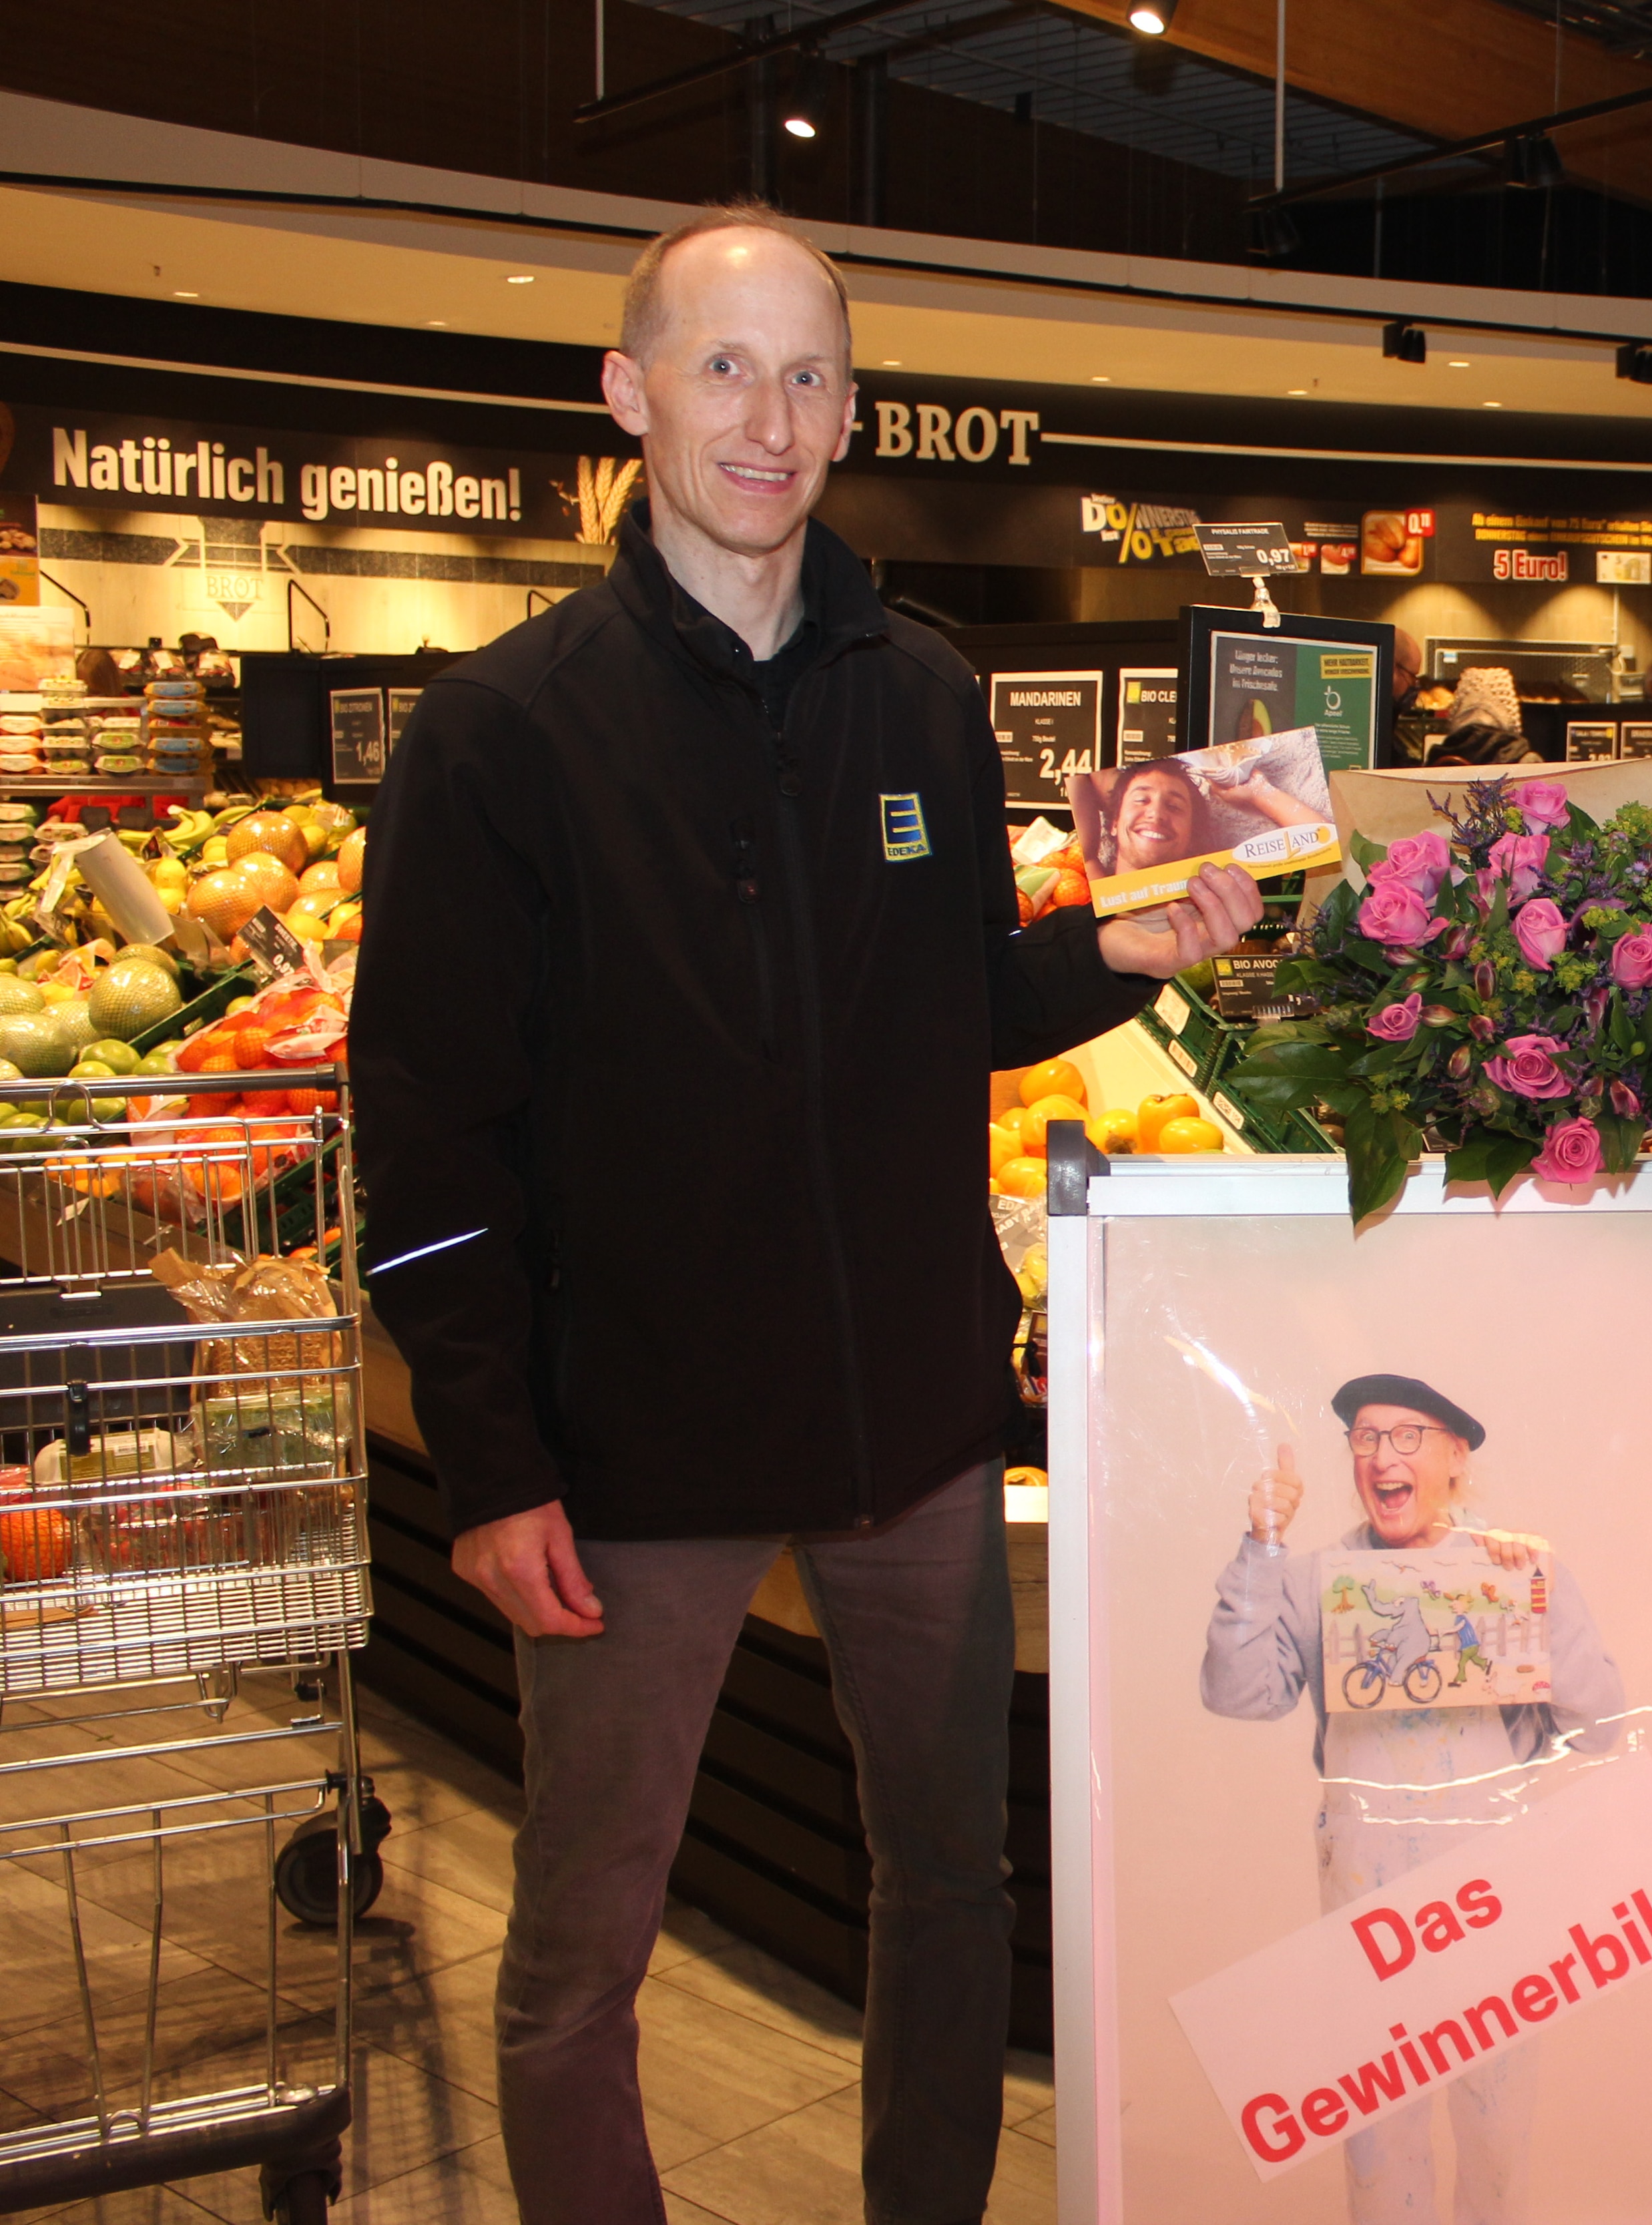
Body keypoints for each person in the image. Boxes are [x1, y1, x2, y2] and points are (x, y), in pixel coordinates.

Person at [348, 198, 1264, 2225]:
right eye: (725, 365)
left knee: (950, 1883)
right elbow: (422, 1138)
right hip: (633, 1464)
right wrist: (490, 1458)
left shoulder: (920, 697)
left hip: (913, 1440)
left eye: (811, 372)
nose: (772, 415)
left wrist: (1132, 952)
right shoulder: (502, 732)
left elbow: (959, 1006)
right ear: (630, 393)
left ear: (855, 410)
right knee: (588, 1941)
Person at [1202, 1376, 1627, 2225]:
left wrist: (1534, 1600)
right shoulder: (1317, 1577)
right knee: (1376, 2144)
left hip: (1491, 1905)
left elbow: (1603, 1726)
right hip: (1366, 1906)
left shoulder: (1513, 1569)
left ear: (1455, 1458)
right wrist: (1260, 1549)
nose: (1381, 1458)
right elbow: (1238, 1694)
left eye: (1406, 1437)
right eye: (1365, 1439)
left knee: (1497, 2138)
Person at [1075, 748, 1323, 883]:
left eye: (1174, 807)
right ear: (1114, 824)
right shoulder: (1091, 883)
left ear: (1191, 836)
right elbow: (1080, 776)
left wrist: (1259, 793)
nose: (1156, 813)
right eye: (1142, 799)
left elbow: (1325, 839)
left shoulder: (1212, 883)